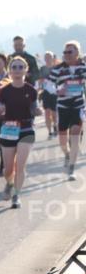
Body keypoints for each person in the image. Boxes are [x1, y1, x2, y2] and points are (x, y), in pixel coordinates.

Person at [0, 56, 42, 208]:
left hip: (26, 129)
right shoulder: (4, 91)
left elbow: (34, 109)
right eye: (14, 67)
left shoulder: (31, 90)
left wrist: (37, 111)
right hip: (8, 129)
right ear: (9, 70)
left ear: (26, 70)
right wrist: (0, 111)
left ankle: (16, 195)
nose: (17, 70)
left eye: (20, 67)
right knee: (8, 169)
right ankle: (9, 183)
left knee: (20, 166)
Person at [44, 41, 86, 180]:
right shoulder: (58, 69)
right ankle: (67, 154)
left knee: (75, 134)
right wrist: (57, 91)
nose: (67, 55)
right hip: (63, 106)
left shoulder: (83, 67)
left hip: (78, 105)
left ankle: (72, 168)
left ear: (77, 53)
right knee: (63, 140)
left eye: (70, 52)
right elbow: (47, 84)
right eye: (65, 52)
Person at [39, 51, 58, 138]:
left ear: (52, 58)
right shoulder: (42, 68)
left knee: (54, 113)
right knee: (47, 112)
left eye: (49, 57)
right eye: (46, 57)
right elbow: (39, 80)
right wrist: (42, 82)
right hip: (45, 92)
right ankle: (49, 132)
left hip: (55, 92)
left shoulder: (56, 68)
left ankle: (55, 126)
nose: (47, 59)